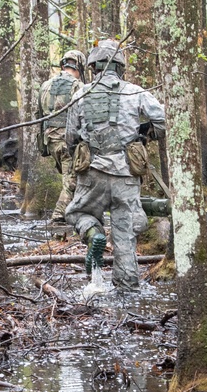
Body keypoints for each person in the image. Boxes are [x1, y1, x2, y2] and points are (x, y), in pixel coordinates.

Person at [65, 39, 166, 292]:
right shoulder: (135, 91)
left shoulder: (81, 93)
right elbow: (164, 120)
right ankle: (127, 289)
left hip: (92, 173)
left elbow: (70, 138)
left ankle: (93, 234)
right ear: (120, 67)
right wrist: (144, 133)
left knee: (76, 213)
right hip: (126, 176)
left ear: (93, 67)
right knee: (125, 235)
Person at [37, 49, 87, 223]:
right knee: (72, 181)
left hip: (50, 141)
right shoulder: (78, 87)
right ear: (79, 66)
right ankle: (58, 217)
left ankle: (74, 217)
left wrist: (43, 146)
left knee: (70, 177)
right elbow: (84, 116)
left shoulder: (45, 85)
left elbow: (39, 117)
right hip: (68, 142)